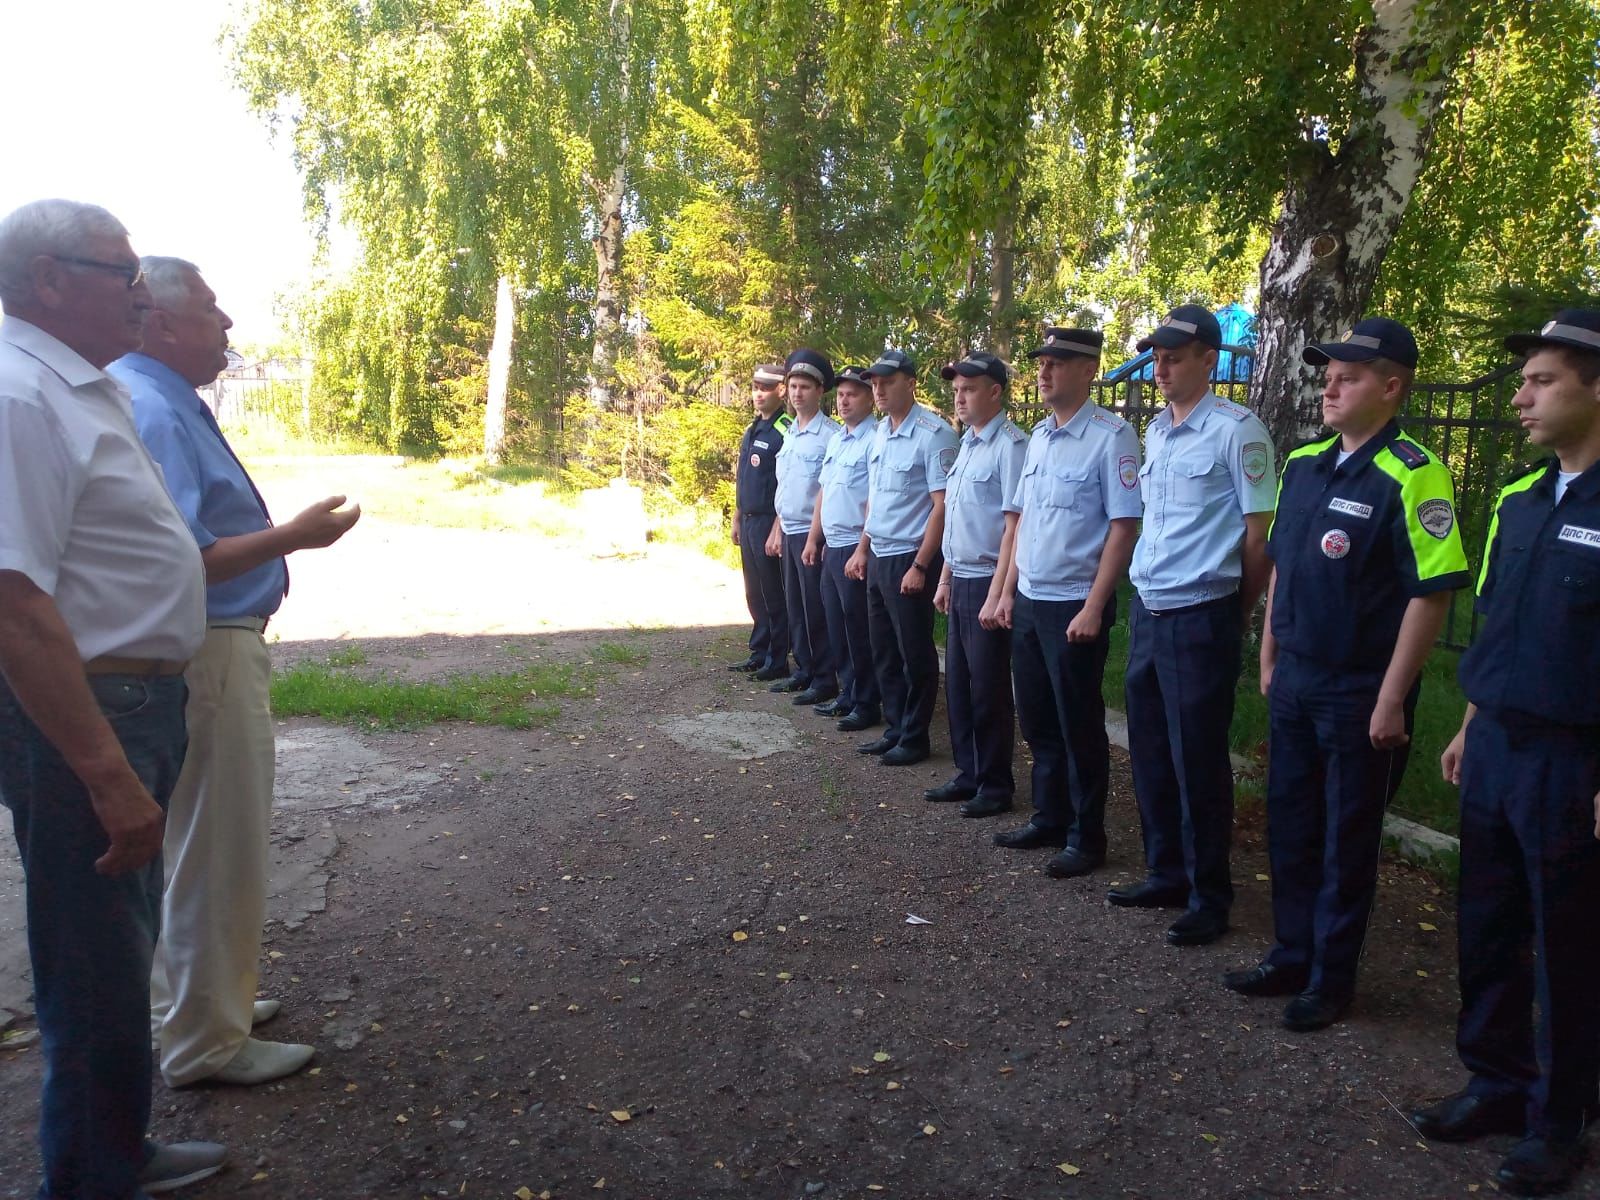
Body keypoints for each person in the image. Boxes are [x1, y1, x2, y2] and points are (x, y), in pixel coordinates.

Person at [0, 199, 225, 1197]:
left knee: (115, 942)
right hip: (91, 718)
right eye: (118, 272)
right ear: (50, 279)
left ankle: (112, 1151)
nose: (139, 293)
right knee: (93, 957)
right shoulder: (18, 393)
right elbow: (12, 603)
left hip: (130, 704)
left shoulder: (68, 386)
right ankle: (92, 1175)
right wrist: (104, 772)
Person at [110, 258, 361, 1087]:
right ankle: (207, 1042)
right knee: (218, 846)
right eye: (214, 312)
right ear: (167, 323)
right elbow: (182, 555)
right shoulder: (151, 401)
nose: (228, 328)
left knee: (188, 844)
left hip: (197, 644)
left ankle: (191, 1002)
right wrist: (293, 536)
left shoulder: (149, 394)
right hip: (208, 646)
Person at [1223, 318, 1467, 1033]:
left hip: (1361, 690)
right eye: (1327, 372)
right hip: (1296, 677)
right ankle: (1291, 953)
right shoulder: (1304, 463)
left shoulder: (1414, 471)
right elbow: (1284, 570)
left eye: (1349, 375)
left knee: (1346, 837)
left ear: (1391, 387)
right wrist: (1269, 653)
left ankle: (1332, 978)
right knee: (1291, 825)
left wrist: (1393, 697)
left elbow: (1433, 591)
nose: (1329, 384)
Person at [1411, 309, 1600, 1198]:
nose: (1521, 396)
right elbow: (1499, 627)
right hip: (1496, 748)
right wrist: (1468, 719)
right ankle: (1495, 1084)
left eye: (1543, 380)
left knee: (1570, 946)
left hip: (1575, 761)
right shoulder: (1522, 501)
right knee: (1486, 924)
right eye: (1522, 379)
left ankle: (1562, 1122)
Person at [1112, 304, 1276, 946]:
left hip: (1202, 611)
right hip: (1151, 609)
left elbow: (1258, 533)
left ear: (1210, 359)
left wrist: (1236, 611)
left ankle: (1211, 895)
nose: (1161, 367)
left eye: (1174, 357)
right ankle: (1167, 871)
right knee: (1150, 748)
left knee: (1198, 759)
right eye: (1156, 357)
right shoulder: (1157, 431)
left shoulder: (1239, 430)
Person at [992, 327, 1141, 877]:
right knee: (1037, 717)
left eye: (1059, 362)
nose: (1045, 370)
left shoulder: (1112, 436)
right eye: (1042, 362)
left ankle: (1087, 835)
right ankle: (1049, 816)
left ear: (1089, 369)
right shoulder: (1039, 438)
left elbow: (1123, 527)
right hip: (1031, 598)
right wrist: (1007, 592)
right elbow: (1023, 521)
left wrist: (1095, 606)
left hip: (1075, 603)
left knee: (1079, 722)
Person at [846, 349, 960, 767]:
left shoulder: (934, 434)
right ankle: (895, 728)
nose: (877, 389)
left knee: (914, 653)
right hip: (879, 553)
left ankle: (915, 737)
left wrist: (921, 565)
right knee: (884, 651)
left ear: (910, 383)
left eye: (886, 381)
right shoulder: (880, 433)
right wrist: (862, 548)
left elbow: (942, 505)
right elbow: (876, 499)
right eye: (873, 382)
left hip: (910, 557)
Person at [927, 352, 1027, 817]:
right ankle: (968, 773)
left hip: (990, 577)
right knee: (962, 688)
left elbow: (1014, 525)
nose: (960, 398)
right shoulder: (968, 444)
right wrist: (945, 576)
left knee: (988, 689)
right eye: (956, 391)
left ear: (994, 392)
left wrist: (999, 592)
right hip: (961, 575)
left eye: (968, 390)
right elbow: (956, 521)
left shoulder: (1011, 445)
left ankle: (995, 782)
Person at [804, 364, 880, 730]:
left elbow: (876, 501)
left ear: (870, 398)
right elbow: (823, 492)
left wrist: (863, 549)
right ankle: (848, 693)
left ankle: (867, 702)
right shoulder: (838, 440)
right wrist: (813, 539)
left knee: (858, 628)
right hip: (832, 545)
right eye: (841, 394)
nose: (845, 400)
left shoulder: (875, 439)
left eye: (853, 393)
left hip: (855, 545)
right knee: (836, 625)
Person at [766, 349, 840, 706]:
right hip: (790, 529)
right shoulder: (790, 432)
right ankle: (804, 670)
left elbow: (826, 492)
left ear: (820, 391)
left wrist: (814, 537)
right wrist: (777, 526)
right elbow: (787, 486)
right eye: (793, 386)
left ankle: (825, 678)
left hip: (814, 534)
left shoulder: (830, 435)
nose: (797, 393)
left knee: (816, 608)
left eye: (805, 387)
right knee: (794, 606)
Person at [730, 364, 793, 680]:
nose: (758, 393)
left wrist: (777, 527)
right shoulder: (753, 429)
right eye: (755, 387)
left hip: (770, 521)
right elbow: (743, 478)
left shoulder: (784, 429)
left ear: (781, 391)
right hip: (750, 520)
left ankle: (778, 657)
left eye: (765, 388)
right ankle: (760, 650)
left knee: (773, 593)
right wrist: (737, 518)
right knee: (754, 592)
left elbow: (788, 484)